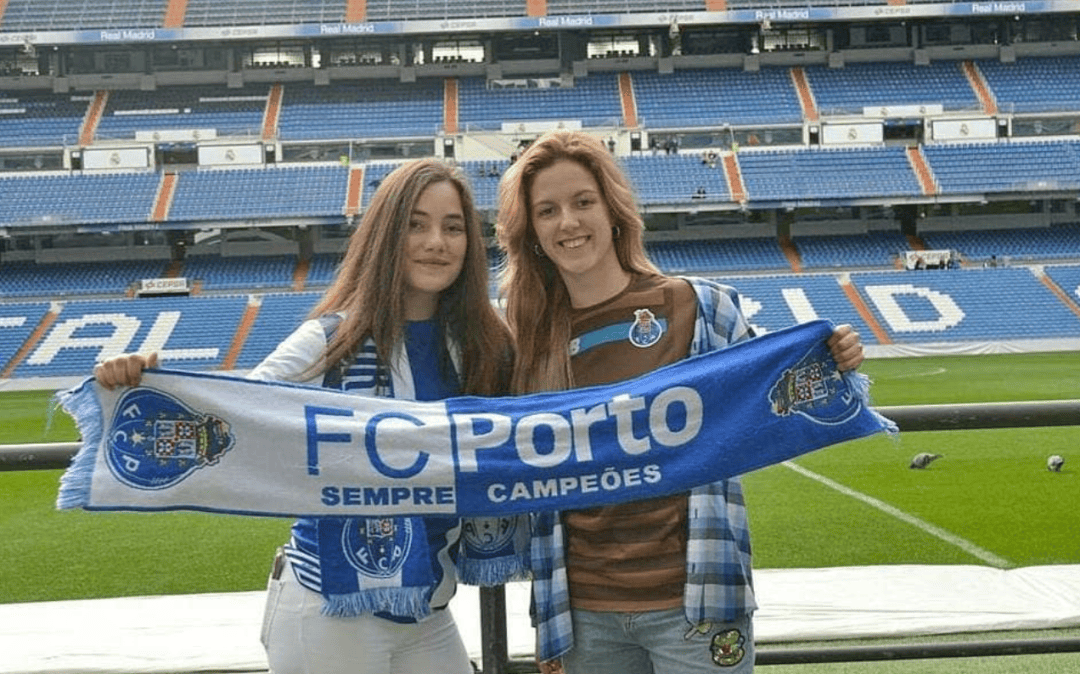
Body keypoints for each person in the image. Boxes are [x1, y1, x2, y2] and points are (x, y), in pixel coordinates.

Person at [94, 158, 515, 674]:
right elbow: (234, 412)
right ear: (386, 236)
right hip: (329, 606)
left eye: (453, 228)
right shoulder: (329, 340)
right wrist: (147, 383)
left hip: (428, 607)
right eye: (415, 225)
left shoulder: (484, 346)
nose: (436, 242)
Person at [494, 129, 864, 674]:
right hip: (580, 613)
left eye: (583, 202)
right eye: (547, 211)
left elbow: (772, 395)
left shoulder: (700, 307)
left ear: (613, 211)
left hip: (699, 606)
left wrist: (832, 357)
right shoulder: (526, 341)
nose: (568, 222)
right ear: (532, 233)